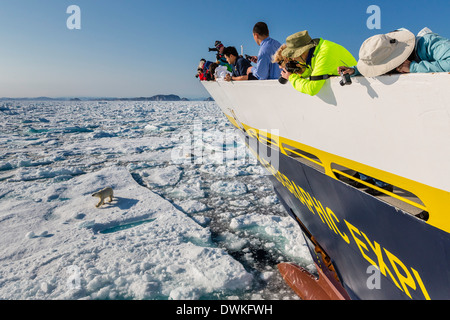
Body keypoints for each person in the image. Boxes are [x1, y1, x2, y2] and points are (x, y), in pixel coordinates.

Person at [338, 28, 450, 77]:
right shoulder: (387, 51)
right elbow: (380, 62)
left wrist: (413, 67)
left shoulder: (430, 44)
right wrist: (355, 70)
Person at [279, 30, 357, 96]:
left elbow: (312, 89)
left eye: (293, 55)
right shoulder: (316, 51)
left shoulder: (324, 54)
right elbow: (315, 73)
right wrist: (299, 71)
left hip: (354, 91)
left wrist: (291, 77)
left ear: (302, 52)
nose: (293, 58)